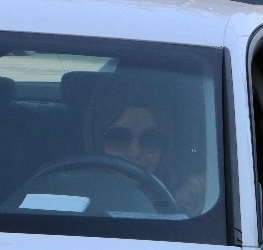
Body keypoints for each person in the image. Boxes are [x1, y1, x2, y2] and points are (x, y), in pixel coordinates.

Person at [84, 74, 204, 216]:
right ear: (96, 141)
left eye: (151, 139)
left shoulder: (198, 206)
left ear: (167, 144)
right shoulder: (69, 193)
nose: (134, 152)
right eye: (118, 137)